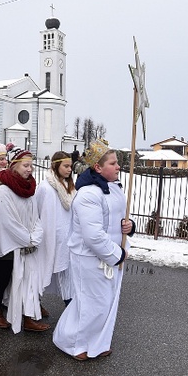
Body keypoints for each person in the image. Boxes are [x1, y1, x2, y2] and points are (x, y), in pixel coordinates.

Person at [52, 139, 135, 361]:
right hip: (89, 258)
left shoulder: (114, 188)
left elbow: (118, 220)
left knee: (105, 303)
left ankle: (97, 343)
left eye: (117, 163)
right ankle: (73, 343)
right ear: (98, 168)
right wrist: (117, 255)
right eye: (113, 163)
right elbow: (93, 235)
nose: (118, 167)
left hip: (110, 256)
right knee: (90, 303)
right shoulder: (88, 194)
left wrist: (130, 226)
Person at [0, 146, 52, 333]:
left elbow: (35, 217)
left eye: (31, 165)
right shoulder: (3, 191)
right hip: (8, 244)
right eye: (25, 165)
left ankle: (28, 316)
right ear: (14, 166)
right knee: (3, 277)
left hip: (27, 243)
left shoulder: (29, 188)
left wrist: (35, 236)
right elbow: (8, 222)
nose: (29, 169)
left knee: (27, 280)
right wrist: (29, 240)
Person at [35, 151, 76, 307]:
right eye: (65, 166)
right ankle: (33, 306)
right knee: (43, 272)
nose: (69, 169)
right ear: (56, 165)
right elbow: (37, 211)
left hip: (66, 238)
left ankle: (70, 306)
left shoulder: (69, 187)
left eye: (70, 166)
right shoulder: (45, 187)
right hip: (49, 237)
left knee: (66, 273)